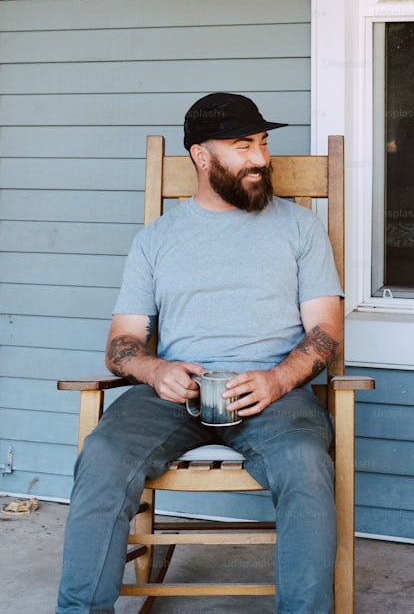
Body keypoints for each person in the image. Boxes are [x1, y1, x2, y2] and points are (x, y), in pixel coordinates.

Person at [57, 93, 343, 614]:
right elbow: (120, 345)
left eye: (263, 143)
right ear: (201, 156)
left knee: (305, 464)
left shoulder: (300, 228)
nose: (261, 158)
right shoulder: (156, 240)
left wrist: (278, 380)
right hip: (175, 394)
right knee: (101, 456)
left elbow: (325, 332)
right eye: (243, 146)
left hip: (274, 394)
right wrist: (153, 368)